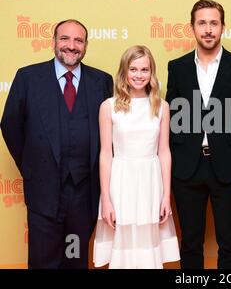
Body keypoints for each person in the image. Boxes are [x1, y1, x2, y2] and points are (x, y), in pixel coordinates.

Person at [0, 19, 113, 268]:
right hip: (43, 191)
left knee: (75, 257)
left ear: (85, 46)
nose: (71, 46)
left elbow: (111, 135)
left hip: (84, 194)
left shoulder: (102, 82)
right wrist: (31, 167)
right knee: (43, 261)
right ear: (53, 42)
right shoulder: (28, 77)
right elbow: (10, 125)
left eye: (78, 40)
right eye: (65, 39)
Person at [166, 0, 231, 269]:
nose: (208, 29)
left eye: (213, 23)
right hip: (186, 169)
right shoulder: (177, 67)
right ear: (192, 27)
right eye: (202, 23)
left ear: (223, 27)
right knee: (191, 242)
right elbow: (171, 121)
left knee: (229, 243)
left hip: (229, 169)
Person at [92, 45, 180, 268]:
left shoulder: (161, 106)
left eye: (145, 70)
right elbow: (105, 154)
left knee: (148, 247)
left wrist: (165, 196)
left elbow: (164, 152)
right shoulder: (108, 107)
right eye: (133, 69)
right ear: (124, 72)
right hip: (120, 183)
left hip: (151, 183)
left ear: (152, 73)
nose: (139, 75)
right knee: (122, 244)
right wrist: (106, 199)